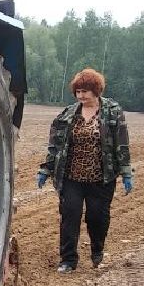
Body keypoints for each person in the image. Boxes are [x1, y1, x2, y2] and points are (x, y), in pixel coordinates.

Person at [36, 68, 134, 272]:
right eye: (77, 92)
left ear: (96, 90)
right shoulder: (68, 114)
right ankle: (68, 260)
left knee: (96, 217)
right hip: (71, 176)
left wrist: (125, 172)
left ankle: (97, 252)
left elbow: (121, 143)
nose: (81, 96)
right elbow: (55, 144)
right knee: (69, 216)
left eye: (85, 91)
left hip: (100, 177)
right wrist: (46, 169)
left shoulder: (112, 112)